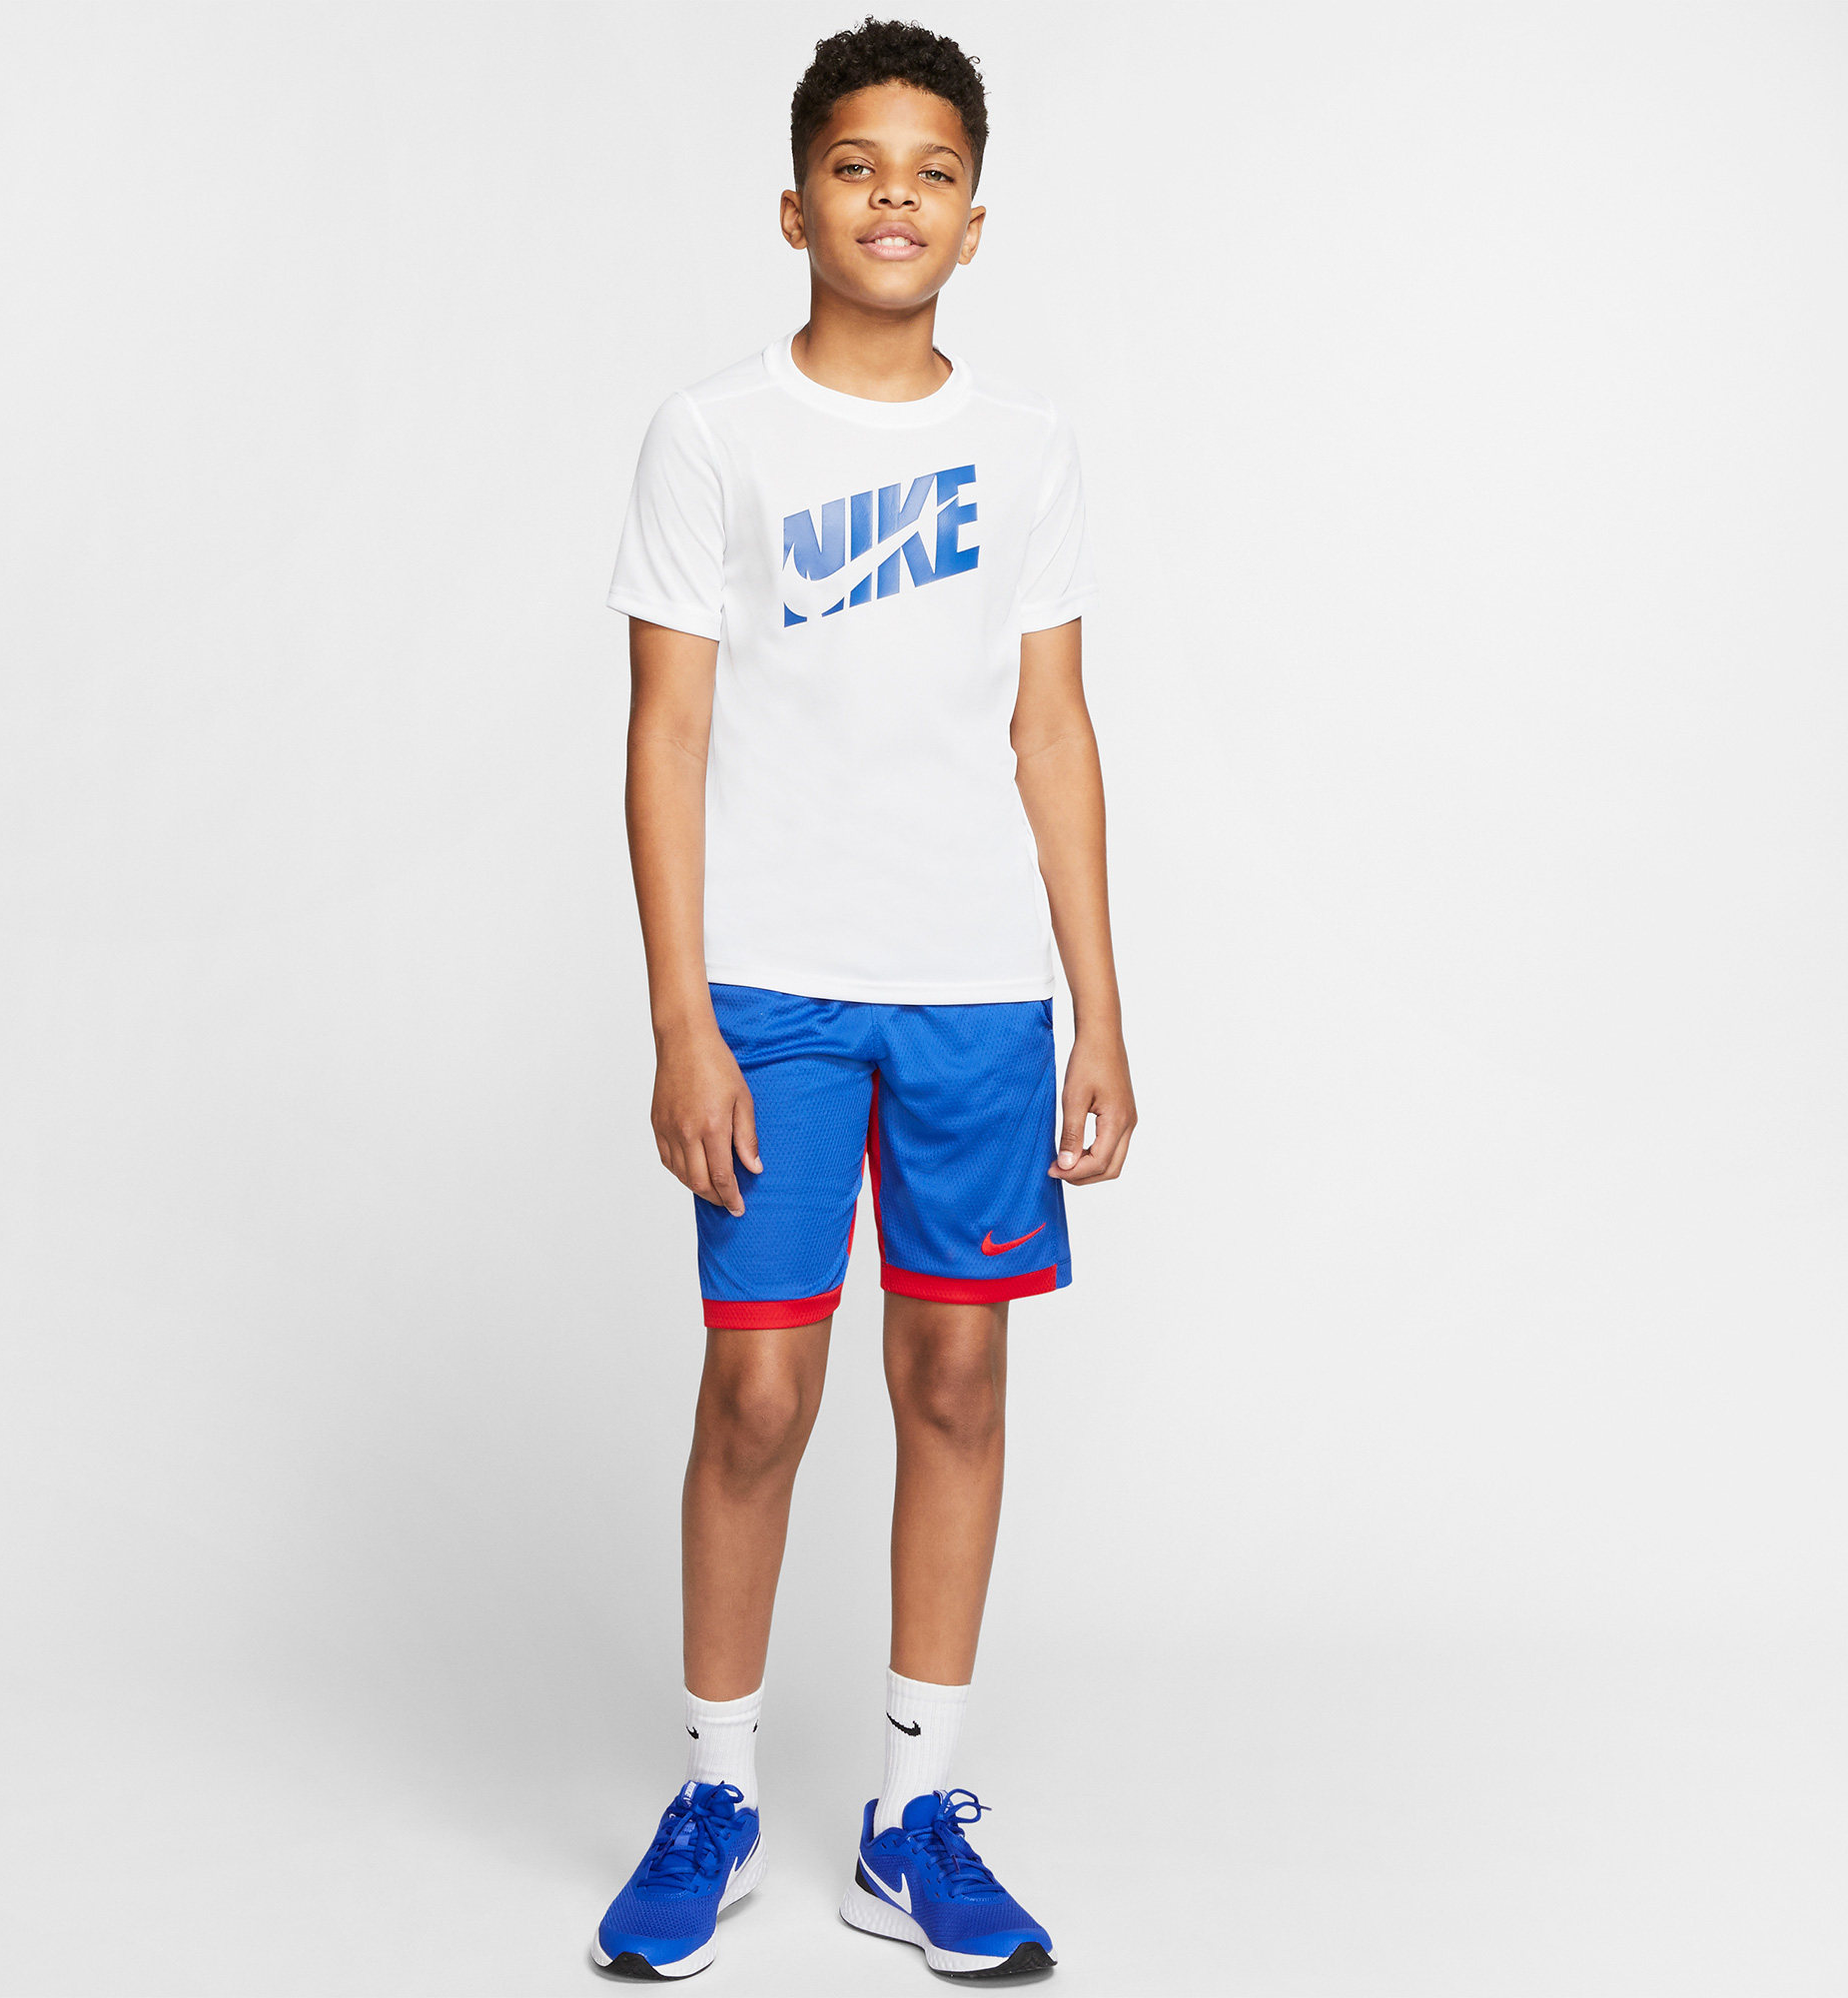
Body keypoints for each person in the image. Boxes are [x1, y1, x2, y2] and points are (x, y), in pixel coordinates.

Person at [591, 18, 1135, 1981]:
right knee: (758, 1390)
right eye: (855, 165)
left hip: (977, 993)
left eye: (930, 171)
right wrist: (680, 1017)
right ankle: (716, 1791)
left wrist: (1097, 1007)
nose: (892, 196)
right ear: (793, 204)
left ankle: (913, 1817)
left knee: (958, 1381)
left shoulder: (1029, 445)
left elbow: (1052, 731)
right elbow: (665, 735)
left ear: (974, 221)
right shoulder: (712, 435)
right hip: (775, 992)